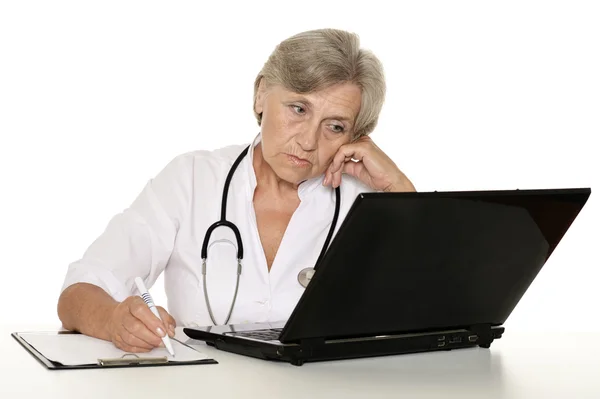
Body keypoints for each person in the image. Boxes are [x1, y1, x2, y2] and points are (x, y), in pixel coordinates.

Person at [57, 28, 416, 353]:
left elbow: (435, 312)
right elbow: (78, 292)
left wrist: (399, 190)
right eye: (298, 108)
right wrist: (114, 321)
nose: (308, 141)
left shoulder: (369, 203)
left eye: (335, 126)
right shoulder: (193, 179)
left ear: (356, 136)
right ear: (261, 94)